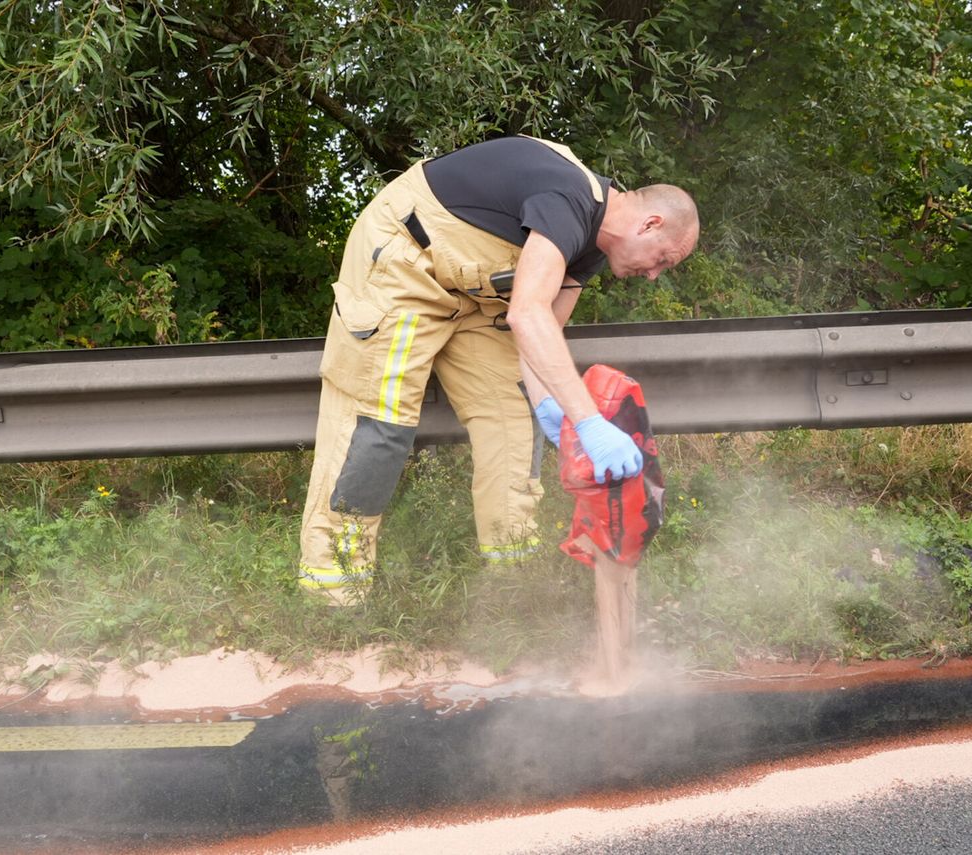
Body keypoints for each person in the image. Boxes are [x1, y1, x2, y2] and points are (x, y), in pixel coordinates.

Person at [298, 135, 699, 603]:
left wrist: (549, 402)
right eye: (663, 260)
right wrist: (589, 421)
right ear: (650, 224)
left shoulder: (590, 245)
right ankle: (333, 595)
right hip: (406, 263)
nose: (654, 275)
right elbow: (525, 313)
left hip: (475, 295)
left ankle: (513, 593)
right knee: (378, 424)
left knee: (514, 421)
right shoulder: (567, 199)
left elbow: (541, 325)